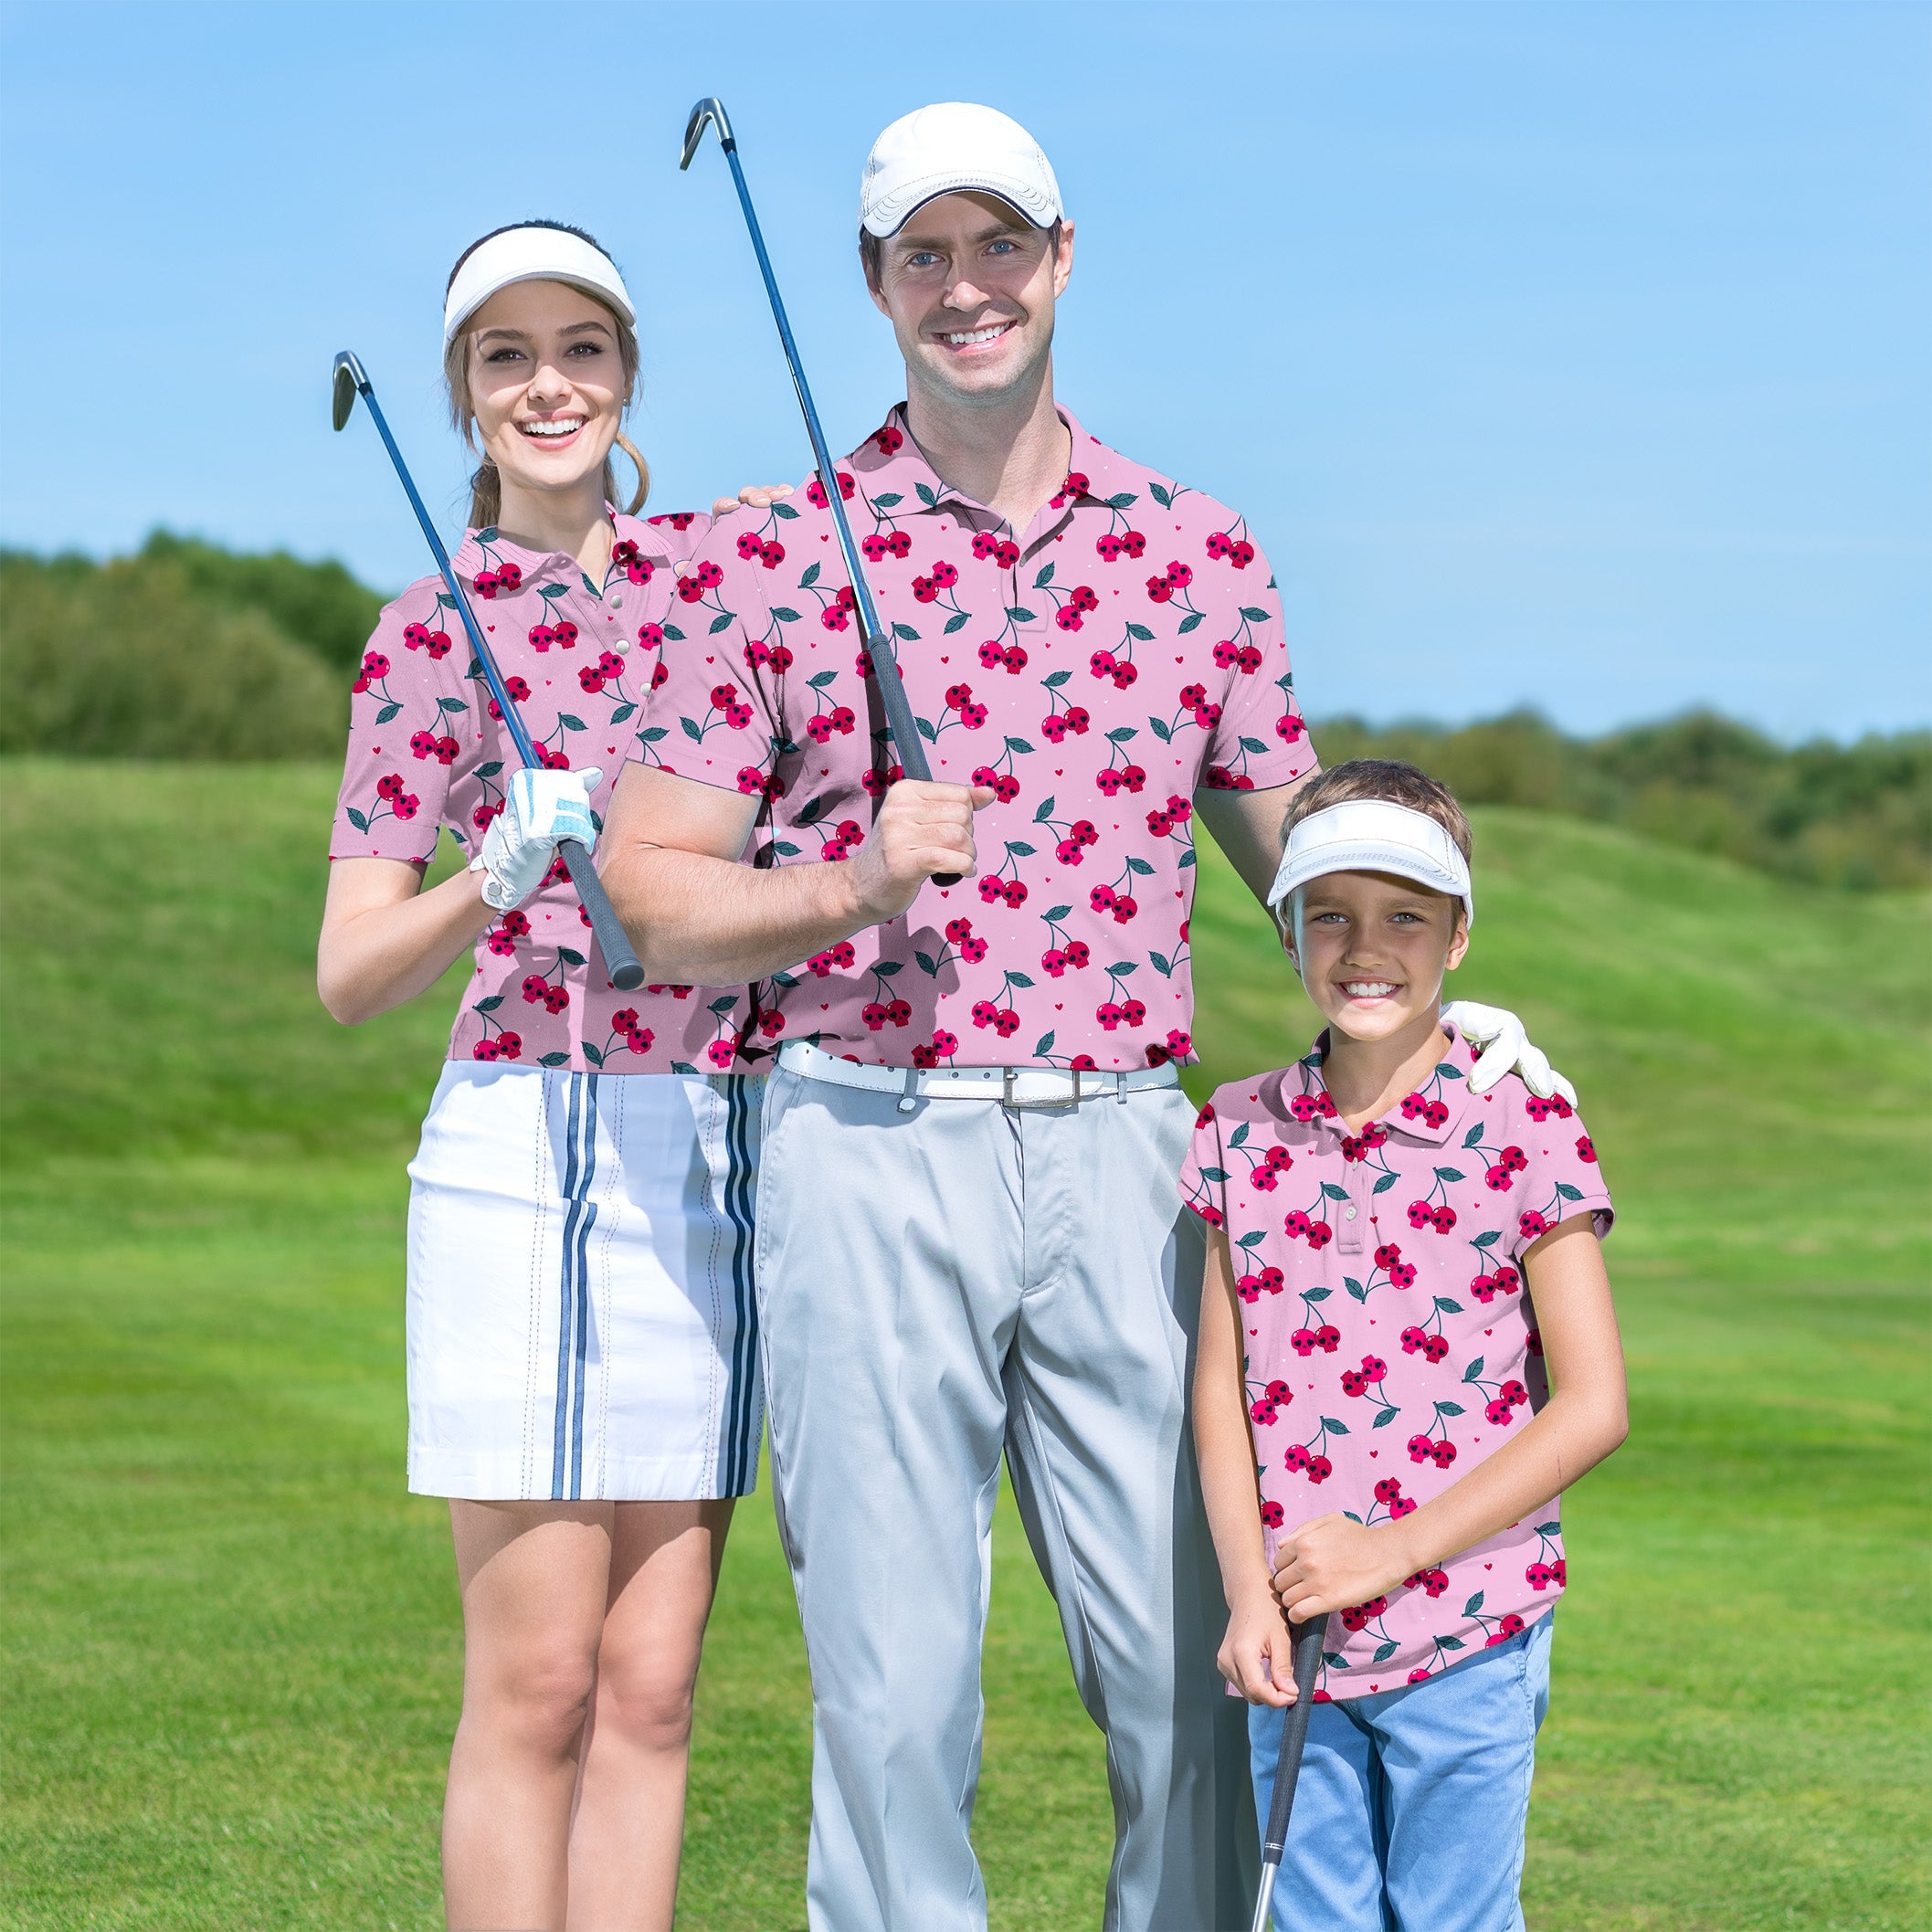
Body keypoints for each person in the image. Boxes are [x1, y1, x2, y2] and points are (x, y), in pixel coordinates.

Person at [599, 106, 1561, 1931]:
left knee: (1199, 1670)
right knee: (894, 1698)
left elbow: (1304, 857)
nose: (967, 287)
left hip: (1133, 1155)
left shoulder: (1199, 553)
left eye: (998, 245)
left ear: (1060, 256)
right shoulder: (771, 553)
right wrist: (841, 887)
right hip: (859, 1134)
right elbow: (651, 890)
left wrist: (1448, 996)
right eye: (922, 255)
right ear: (875, 285)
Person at [318, 220, 786, 1932]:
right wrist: (484, 879)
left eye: (579, 349)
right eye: (506, 356)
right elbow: (349, 971)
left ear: (627, 375)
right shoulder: (420, 633)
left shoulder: (722, 590)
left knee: (654, 1685)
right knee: (538, 1686)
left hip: (701, 1152)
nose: (548, 385)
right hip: (519, 1142)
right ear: (463, 394)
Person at [1186, 759, 1628, 1932]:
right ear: (1286, 927)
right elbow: (1220, 1394)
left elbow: (1593, 1405)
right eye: (1328, 913)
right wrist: (1245, 1597)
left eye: (1404, 917)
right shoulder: (1235, 1127)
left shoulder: (1524, 1121)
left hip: (1471, 1622)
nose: (1363, 946)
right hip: (1295, 1632)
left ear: (1458, 938)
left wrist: (1393, 1553)